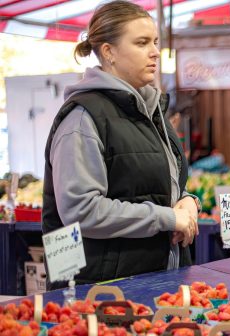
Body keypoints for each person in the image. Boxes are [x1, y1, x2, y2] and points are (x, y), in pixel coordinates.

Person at [43, 0, 199, 285]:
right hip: (104, 294)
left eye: (154, 41)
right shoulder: (82, 118)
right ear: (108, 52)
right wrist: (166, 218)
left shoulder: (151, 111)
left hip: (157, 279)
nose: (154, 52)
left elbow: (162, 184)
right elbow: (82, 211)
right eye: (141, 43)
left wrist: (188, 203)